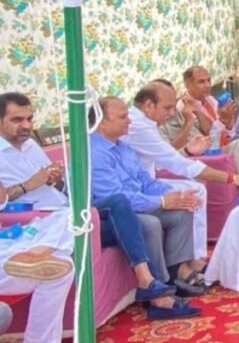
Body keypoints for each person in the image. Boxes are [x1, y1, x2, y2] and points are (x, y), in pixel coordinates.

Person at [0, 92, 195, 320]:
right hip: (41, 221)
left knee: (150, 215)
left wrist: (56, 178)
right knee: (125, 208)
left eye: (29, 119)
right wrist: (27, 185)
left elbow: (58, 187)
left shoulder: (31, 146)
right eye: (17, 120)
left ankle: (163, 282)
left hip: (69, 210)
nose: (26, 126)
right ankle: (153, 288)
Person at [126, 82, 239, 257]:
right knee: (195, 189)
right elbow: (174, 162)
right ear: (148, 105)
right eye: (167, 108)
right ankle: (195, 256)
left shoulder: (144, 122)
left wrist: (189, 150)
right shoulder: (137, 125)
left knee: (195, 188)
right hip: (137, 186)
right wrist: (233, 178)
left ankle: (193, 256)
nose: (172, 113)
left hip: (147, 181)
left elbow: (163, 160)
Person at [89, 97, 209, 297]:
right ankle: (160, 286)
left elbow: (145, 181)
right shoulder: (94, 152)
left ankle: (177, 271)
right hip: (107, 216)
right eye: (123, 117)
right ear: (101, 123)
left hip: (134, 202)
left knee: (182, 211)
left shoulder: (123, 146)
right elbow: (115, 199)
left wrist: (174, 196)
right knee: (151, 224)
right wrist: (161, 201)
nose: (129, 120)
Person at [0, 183, 74, 343]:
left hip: (9, 244)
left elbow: (2, 199)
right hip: (5, 256)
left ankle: (39, 251)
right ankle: (38, 253)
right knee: (60, 271)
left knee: (70, 215)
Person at [161, 66, 236, 149]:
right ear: (188, 85)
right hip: (210, 150)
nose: (207, 85)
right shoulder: (184, 107)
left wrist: (229, 123)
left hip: (226, 143)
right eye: (201, 82)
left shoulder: (210, 99)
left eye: (208, 80)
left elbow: (229, 133)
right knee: (238, 145)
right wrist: (223, 120)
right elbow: (208, 135)